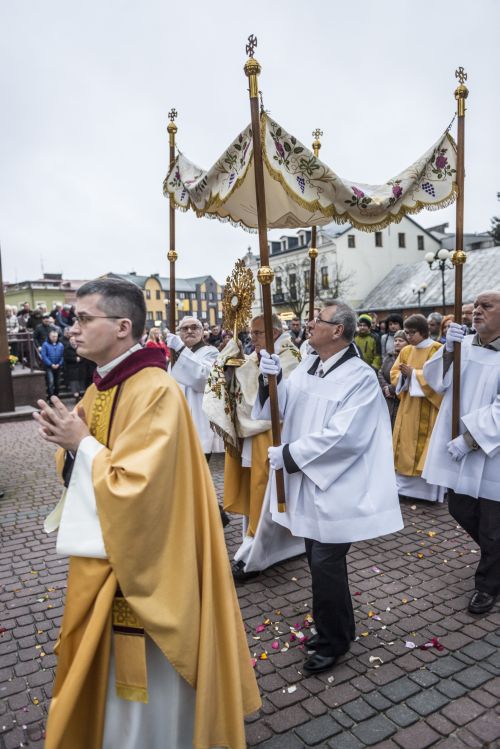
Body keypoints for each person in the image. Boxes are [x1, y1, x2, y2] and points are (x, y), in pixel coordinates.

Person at [33, 277, 260, 749]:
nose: (71, 329)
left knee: (151, 684)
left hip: (151, 560)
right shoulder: (101, 388)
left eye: (82, 319)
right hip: (109, 554)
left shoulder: (155, 389)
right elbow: (90, 462)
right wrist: (71, 448)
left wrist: (81, 445)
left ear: (122, 327)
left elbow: (141, 488)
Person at [255, 301, 403, 674]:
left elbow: (347, 437)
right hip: (311, 482)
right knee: (318, 560)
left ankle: (333, 640)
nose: (309, 322)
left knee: (325, 563)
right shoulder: (310, 363)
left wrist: (290, 455)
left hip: (339, 485)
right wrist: (267, 380)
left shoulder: (360, 377)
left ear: (337, 330)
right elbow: (283, 405)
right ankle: (338, 627)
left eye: (317, 318)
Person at [203, 313, 303, 581]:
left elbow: (274, 399)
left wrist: (245, 369)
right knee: (256, 488)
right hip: (257, 433)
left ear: (273, 331)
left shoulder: (289, 355)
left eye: (257, 333)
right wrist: (230, 362)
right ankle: (261, 540)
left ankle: (255, 551)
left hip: (272, 434)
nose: (252, 338)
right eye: (251, 333)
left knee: (265, 489)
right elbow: (246, 371)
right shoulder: (265, 352)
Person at [423, 291, 500, 614]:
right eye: (475, 307)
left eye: (487, 306)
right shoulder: (463, 345)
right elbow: (436, 382)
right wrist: (448, 351)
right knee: (460, 508)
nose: (476, 312)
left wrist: (470, 439)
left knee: (493, 526)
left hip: (492, 452)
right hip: (459, 451)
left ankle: (487, 586)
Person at [390, 314, 444, 502]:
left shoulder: (437, 349)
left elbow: (441, 379)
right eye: (406, 332)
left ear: (422, 331)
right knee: (404, 446)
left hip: (428, 407)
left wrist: (414, 374)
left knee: (424, 447)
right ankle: (404, 489)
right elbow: (395, 373)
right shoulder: (406, 351)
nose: (408, 336)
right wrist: (405, 378)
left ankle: (426, 493)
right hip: (408, 407)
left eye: (412, 333)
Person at [166, 317, 219, 457]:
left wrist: (180, 348)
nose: (189, 331)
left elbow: (204, 379)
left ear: (202, 332)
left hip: (199, 419)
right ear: (179, 333)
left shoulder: (211, 352)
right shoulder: (174, 357)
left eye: (194, 327)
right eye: (184, 328)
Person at [377, 330, 409, 429]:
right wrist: (385, 387)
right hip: (388, 399)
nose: (397, 343)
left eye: (401, 340)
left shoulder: (409, 357)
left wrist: (392, 389)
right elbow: (380, 373)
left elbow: (405, 378)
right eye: (395, 340)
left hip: (401, 400)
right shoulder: (389, 356)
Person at [41, 330, 64, 398]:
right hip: (49, 367)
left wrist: (59, 364)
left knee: (57, 383)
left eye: (56, 336)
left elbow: (63, 356)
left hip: (58, 366)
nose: (55, 338)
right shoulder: (45, 344)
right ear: (49, 336)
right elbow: (44, 356)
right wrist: (51, 364)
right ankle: (51, 397)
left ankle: (56, 396)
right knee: (51, 382)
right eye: (53, 336)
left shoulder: (60, 345)